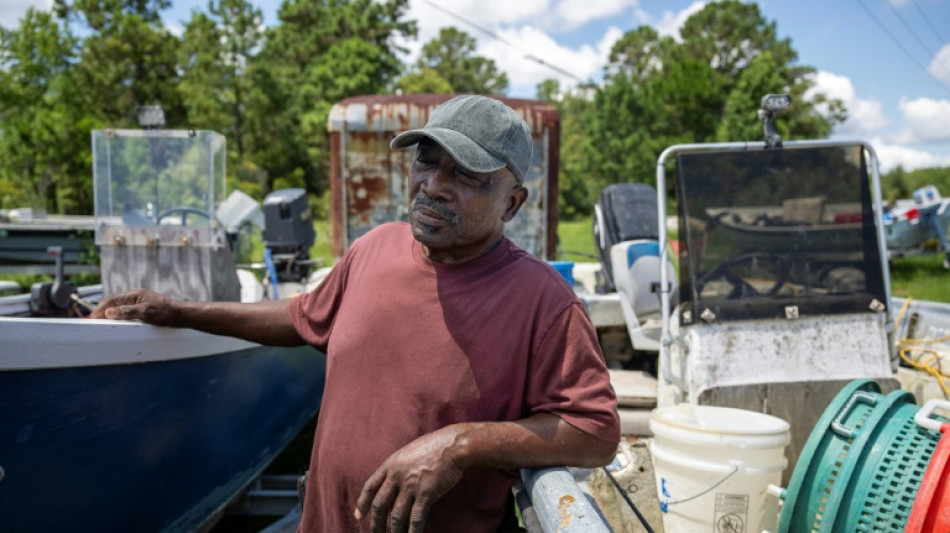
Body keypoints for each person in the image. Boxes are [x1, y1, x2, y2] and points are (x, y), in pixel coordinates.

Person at [91, 94, 620, 533]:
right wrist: (179, 310)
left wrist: (461, 444)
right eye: (427, 160)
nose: (434, 185)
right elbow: (302, 316)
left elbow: (594, 431)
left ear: (512, 203)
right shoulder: (375, 248)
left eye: (468, 176)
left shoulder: (543, 301)